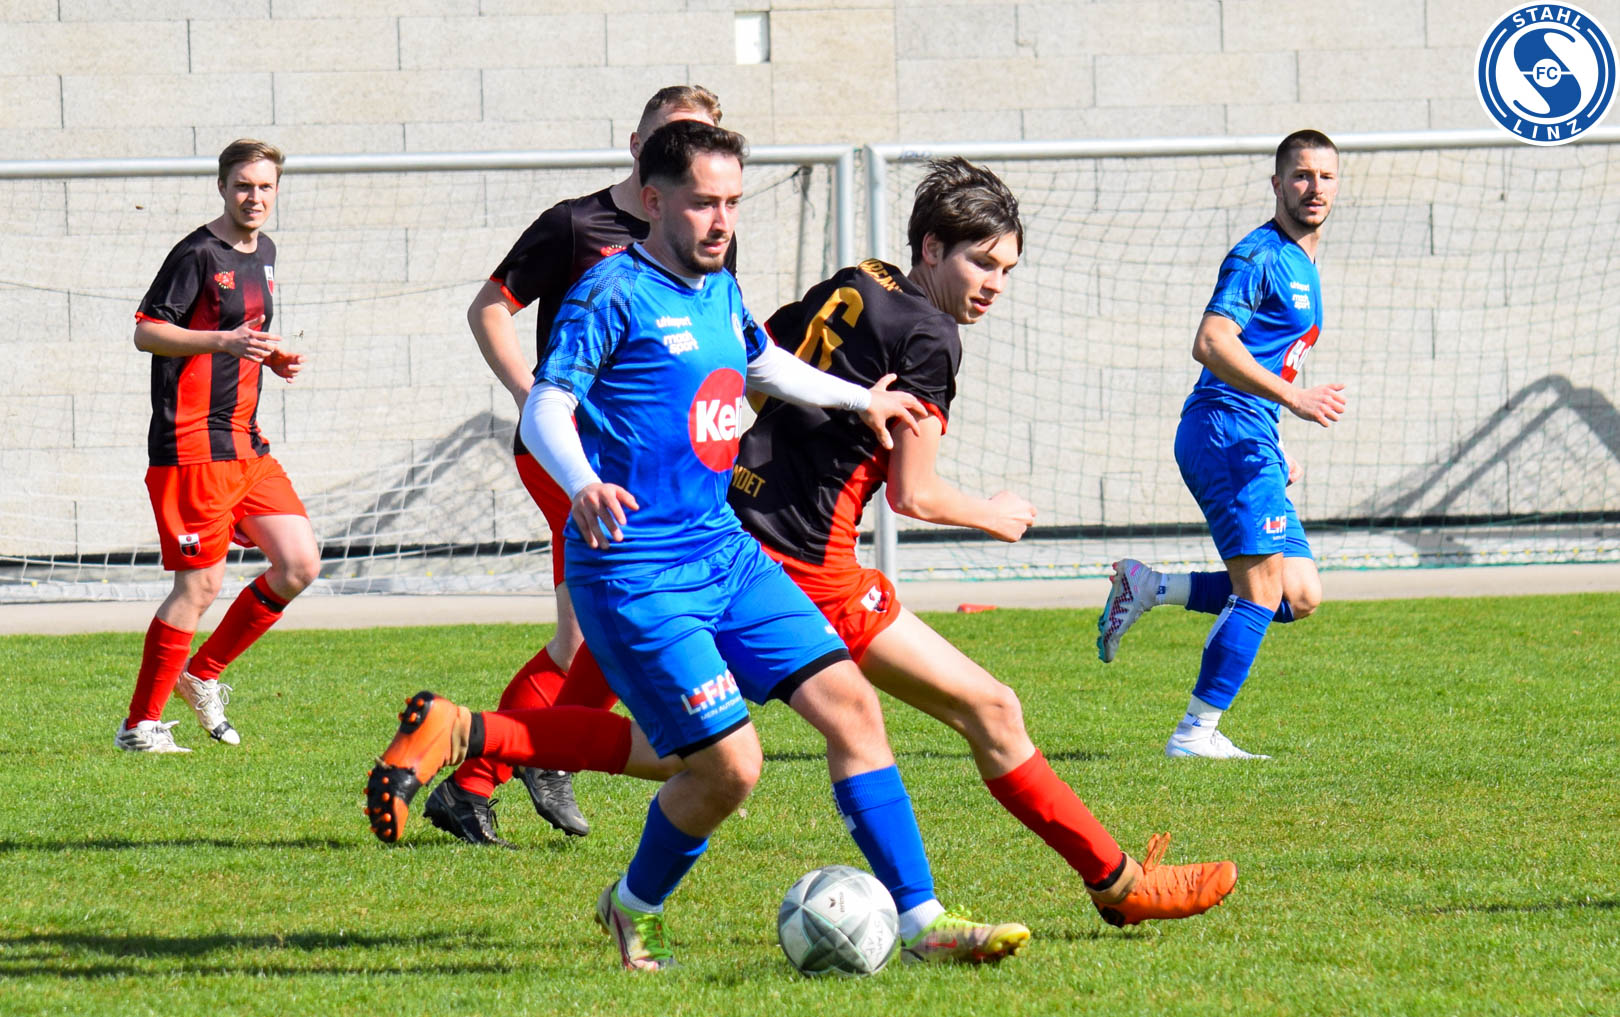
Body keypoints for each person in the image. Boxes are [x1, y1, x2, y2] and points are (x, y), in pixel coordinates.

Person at [366, 121, 1031, 971]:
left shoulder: (718, 287)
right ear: (653, 200)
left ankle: (922, 922)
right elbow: (545, 408)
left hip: (724, 552)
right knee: (730, 769)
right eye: (704, 203)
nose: (722, 220)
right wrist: (583, 483)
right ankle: (631, 908)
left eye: (733, 203)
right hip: (636, 570)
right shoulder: (612, 292)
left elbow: (763, 363)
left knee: (853, 710)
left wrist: (858, 399)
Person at [730, 157, 1237, 927]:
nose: (996, 283)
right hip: (808, 565)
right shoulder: (930, 336)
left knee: (695, 741)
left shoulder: (859, 279)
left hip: (741, 529)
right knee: (978, 710)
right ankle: (1103, 888)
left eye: (1007, 269)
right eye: (982, 262)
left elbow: (754, 368)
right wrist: (991, 514)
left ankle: (1109, 885)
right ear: (932, 248)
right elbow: (914, 494)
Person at [439, 86, 735, 844]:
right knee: (586, 634)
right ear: (637, 146)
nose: (685, 154)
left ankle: (493, 774)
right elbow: (488, 307)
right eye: (669, 137)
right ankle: (489, 771)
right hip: (575, 460)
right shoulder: (576, 223)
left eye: (699, 138)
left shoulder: (707, 228)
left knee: (608, 630)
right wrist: (533, 396)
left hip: (650, 466)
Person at [1096, 130, 1347, 760]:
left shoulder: (1305, 263)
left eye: (1325, 176)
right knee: (1260, 593)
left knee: (1299, 594)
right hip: (1224, 430)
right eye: (1301, 175)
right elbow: (1210, 342)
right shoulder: (1258, 255)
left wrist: (1275, 431)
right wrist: (1292, 400)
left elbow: (1263, 354)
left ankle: (1149, 587)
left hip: (1250, 431)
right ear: (1277, 184)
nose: (1314, 187)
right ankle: (1194, 735)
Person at [117, 139, 320, 754]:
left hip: (247, 446)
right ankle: (140, 726)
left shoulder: (266, 252)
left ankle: (201, 675)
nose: (254, 197)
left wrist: (269, 355)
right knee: (199, 587)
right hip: (192, 447)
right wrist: (222, 342)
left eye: (265, 186)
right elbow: (147, 333)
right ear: (222, 187)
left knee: (299, 564)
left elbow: (242, 336)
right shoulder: (197, 253)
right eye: (243, 186)